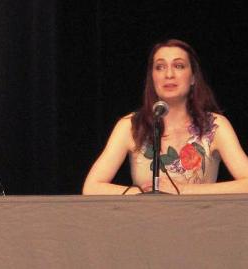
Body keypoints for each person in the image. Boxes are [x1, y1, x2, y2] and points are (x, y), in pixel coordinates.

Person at [83, 39, 248, 195]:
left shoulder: (214, 125)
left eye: (179, 66)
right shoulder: (131, 125)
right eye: (160, 67)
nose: (169, 74)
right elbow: (91, 187)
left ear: (193, 78)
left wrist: (183, 190)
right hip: (144, 221)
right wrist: (142, 193)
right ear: (152, 77)